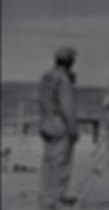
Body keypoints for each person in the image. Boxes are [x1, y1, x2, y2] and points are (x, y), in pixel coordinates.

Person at [39, 46, 79, 209]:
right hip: (60, 126)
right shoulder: (62, 78)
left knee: (49, 162)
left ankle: (48, 195)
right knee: (60, 163)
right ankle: (55, 198)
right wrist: (73, 128)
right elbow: (66, 106)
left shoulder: (47, 76)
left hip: (47, 123)